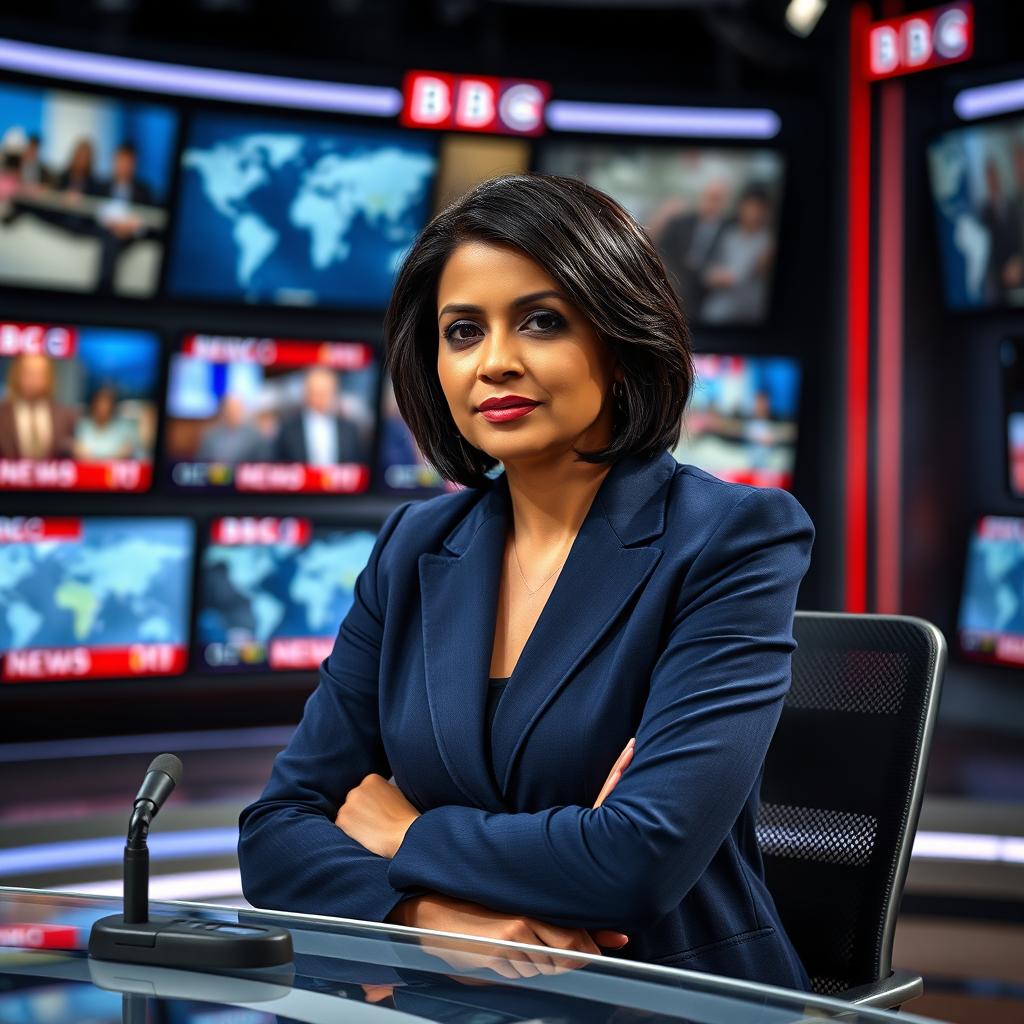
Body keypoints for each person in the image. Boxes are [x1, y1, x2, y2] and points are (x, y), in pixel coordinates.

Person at [238, 173, 815, 991]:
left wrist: (405, 834)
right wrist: (422, 918)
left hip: (664, 998)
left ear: (619, 340)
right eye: (463, 331)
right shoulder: (413, 546)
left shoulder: (733, 538)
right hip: (452, 995)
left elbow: (635, 863)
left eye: (542, 322)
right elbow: (275, 833)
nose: (495, 362)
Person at [653, 177, 730, 323]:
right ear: (702, 197)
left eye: (717, 199)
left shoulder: (729, 228)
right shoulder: (681, 222)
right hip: (680, 280)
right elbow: (662, 250)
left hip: (708, 291)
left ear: (725, 202)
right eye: (709, 197)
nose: (712, 203)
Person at [273, 365, 363, 464]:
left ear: (334, 392)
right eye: (316, 392)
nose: (321, 398)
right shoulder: (288, 429)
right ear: (306, 392)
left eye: (325, 392)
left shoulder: (349, 430)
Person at [0, 352, 77, 459]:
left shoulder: (65, 416)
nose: (34, 379)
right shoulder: (2, 414)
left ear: (49, 377)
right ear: (16, 374)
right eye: (28, 373)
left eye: (40, 373)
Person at [196, 394, 271, 463]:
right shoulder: (211, 434)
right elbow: (201, 460)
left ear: (242, 410)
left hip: (244, 475)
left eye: (236, 409)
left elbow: (262, 461)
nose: (232, 412)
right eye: (229, 409)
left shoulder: (254, 434)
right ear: (223, 411)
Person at [73, 384, 138, 461]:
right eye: (99, 401)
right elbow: (79, 450)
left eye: (107, 402)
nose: (102, 406)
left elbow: (127, 451)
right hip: (90, 469)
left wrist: (98, 458)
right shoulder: (84, 425)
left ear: (113, 405)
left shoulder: (124, 426)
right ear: (93, 404)